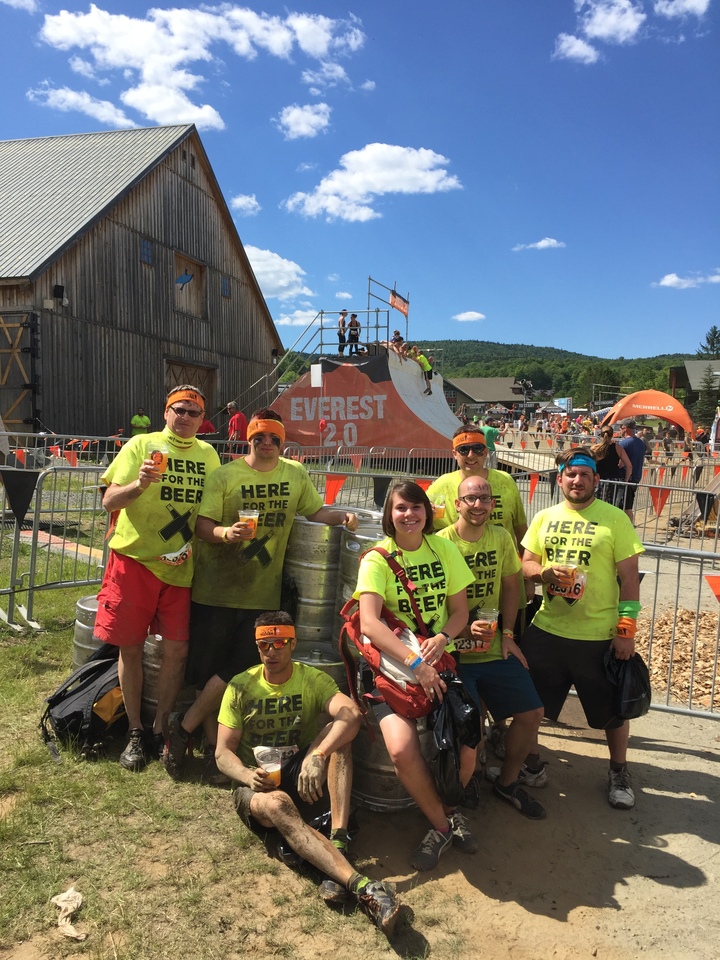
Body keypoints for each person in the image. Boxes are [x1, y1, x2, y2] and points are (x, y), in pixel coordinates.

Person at [164, 409, 359, 781]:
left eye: (274, 438)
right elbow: (201, 525)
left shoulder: (295, 473)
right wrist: (226, 534)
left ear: (282, 441)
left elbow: (315, 511)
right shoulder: (225, 474)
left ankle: (183, 728)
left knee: (237, 668)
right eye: (259, 437)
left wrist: (343, 517)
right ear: (248, 439)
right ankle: (210, 750)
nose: (266, 443)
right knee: (211, 672)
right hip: (216, 588)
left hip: (262, 594)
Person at [215, 610, 400, 935]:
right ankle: (362, 886)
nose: (271, 651)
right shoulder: (241, 686)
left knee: (339, 733)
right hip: (257, 787)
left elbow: (352, 714)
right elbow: (222, 753)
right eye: (263, 645)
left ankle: (338, 841)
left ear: (293, 643)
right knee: (277, 805)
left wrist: (318, 754)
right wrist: (246, 776)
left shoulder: (310, 678)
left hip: (299, 767)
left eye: (279, 643)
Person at [354, 480, 480, 871]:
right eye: (400, 509)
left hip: (441, 662)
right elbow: (369, 624)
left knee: (469, 740)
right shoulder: (376, 559)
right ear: (389, 516)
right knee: (401, 750)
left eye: (415, 507)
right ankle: (442, 826)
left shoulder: (443, 548)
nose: (409, 515)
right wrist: (416, 664)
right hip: (391, 670)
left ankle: (448, 806)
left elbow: (460, 611)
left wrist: (443, 638)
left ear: (427, 511)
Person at [95, 385, 221, 771]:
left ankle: (160, 727)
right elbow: (108, 501)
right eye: (178, 410)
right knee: (130, 647)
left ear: (202, 421)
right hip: (133, 561)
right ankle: (135, 731)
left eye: (193, 413)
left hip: (180, 567)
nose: (184, 417)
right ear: (165, 413)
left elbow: (214, 507)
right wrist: (140, 484)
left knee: (177, 651)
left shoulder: (208, 454)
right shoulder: (140, 445)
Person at [520, 449, 645, 810]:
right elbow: (527, 562)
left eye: (584, 475)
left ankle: (619, 771)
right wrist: (542, 573)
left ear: (596, 480)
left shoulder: (615, 519)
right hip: (547, 630)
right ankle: (531, 765)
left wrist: (626, 629)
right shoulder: (544, 517)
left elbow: (629, 579)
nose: (577, 481)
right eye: (570, 474)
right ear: (559, 479)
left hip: (599, 635)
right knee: (532, 706)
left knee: (612, 712)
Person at [437, 476, 546, 820]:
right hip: (455, 651)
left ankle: (508, 781)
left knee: (532, 715)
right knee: (471, 728)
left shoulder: (500, 538)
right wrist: (456, 631)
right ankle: (466, 784)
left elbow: (511, 587)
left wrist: (510, 634)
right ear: (457, 504)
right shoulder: (441, 542)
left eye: (485, 499)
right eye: (470, 499)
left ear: (492, 504)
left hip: (495, 645)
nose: (478, 505)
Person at [590, 426, 632, 507]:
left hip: (599, 481)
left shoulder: (594, 448)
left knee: (596, 506)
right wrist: (625, 481)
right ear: (612, 435)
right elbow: (629, 465)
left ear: (601, 435)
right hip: (614, 481)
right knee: (613, 507)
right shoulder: (618, 448)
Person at [617, 419, 647, 522]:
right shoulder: (640, 443)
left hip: (625, 477)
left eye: (620, 428)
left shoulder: (624, 443)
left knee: (625, 506)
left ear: (625, 428)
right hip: (636, 477)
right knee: (627, 504)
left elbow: (620, 463)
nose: (620, 430)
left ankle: (629, 527)